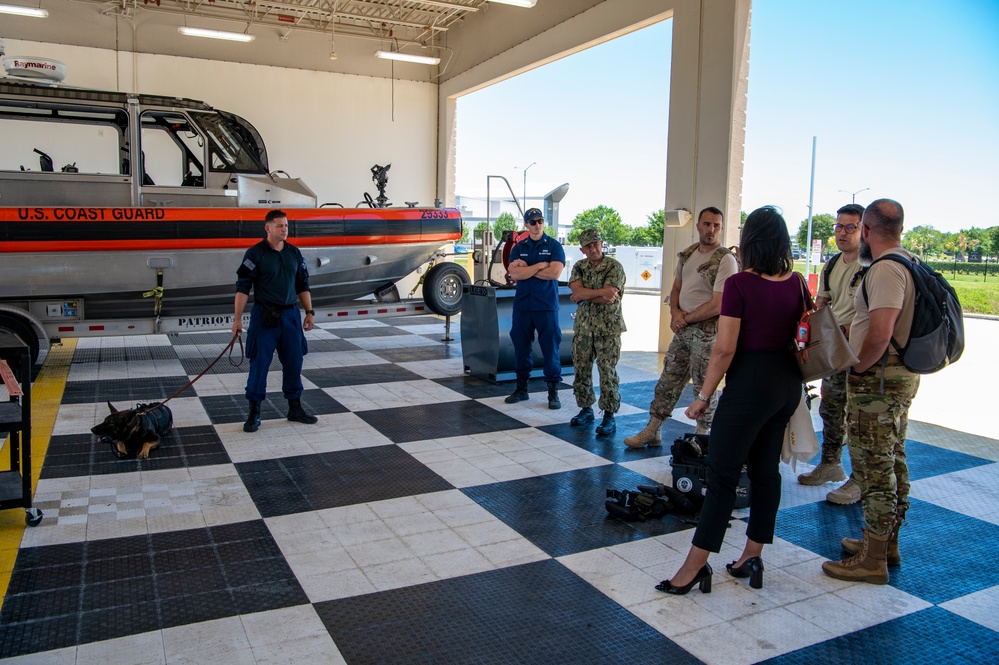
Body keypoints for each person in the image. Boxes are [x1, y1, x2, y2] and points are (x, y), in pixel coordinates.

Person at [656, 206, 808, 595]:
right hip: (786, 387)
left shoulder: (741, 284)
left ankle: (694, 567)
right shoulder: (796, 283)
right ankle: (750, 555)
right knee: (765, 471)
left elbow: (723, 350)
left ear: (752, 240)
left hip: (749, 388)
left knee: (721, 475)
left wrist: (703, 396)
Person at [822, 199, 919, 585]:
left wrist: (858, 367)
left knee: (874, 468)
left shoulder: (884, 270)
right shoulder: (909, 261)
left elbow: (879, 333)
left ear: (865, 230)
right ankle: (885, 542)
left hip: (879, 381)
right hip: (896, 377)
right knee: (892, 458)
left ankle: (873, 559)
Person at [624, 207, 738, 447]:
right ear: (697, 225)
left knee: (704, 386)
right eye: (707, 224)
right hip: (684, 330)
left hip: (707, 334)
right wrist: (675, 313)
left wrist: (685, 318)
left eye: (717, 225)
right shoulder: (687, 255)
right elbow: (676, 288)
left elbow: (718, 304)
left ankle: (703, 437)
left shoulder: (725, 260)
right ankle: (653, 430)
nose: (711, 230)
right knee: (668, 381)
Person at [797, 203, 867, 505]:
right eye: (839, 226)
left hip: (864, 351)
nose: (842, 232)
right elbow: (822, 305)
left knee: (861, 419)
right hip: (835, 350)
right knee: (831, 409)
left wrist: (850, 329)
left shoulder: (873, 265)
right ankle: (831, 465)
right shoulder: (833, 264)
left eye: (850, 227)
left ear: (864, 229)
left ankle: (861, 480)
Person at [232, 209, 318, 432]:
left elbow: (303, 285)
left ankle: (294, 408)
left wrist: (309, 312)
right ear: (267, 228)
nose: (284, 229)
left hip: (290, 315)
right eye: (280, 226)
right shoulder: (254, 254)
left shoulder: (295, 254)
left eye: (286, 226)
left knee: (294, 361)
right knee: (259, 364)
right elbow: (242, 288)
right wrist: (237, 320)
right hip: (265, 316)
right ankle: (254, 413)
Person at [504, 207, 567, 409]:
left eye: (540, 221)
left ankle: (553, 392)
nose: (537, 224)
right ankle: (522, 389)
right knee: (521, 347)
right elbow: (514, 274)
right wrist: (540, 265)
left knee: (550, 348)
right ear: (526, 225)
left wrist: (528, 269)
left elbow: (554, 273)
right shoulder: (519, 247)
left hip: (546, 305)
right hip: (523, 305)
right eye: (533, 222)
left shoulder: (555, 246)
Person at [568, 228, 627, 435]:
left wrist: (584, 295)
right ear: (582, 249)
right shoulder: (579, 267)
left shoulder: (614, 267)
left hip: (608, 328)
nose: (593, 249)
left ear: (602, 243)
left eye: (596, 244)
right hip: (584, 328)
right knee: (581, 368)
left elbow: (609, 296)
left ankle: (609, 415)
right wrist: (595, 293)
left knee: (607, 371)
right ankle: (586, 409)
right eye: (589, 246)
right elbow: (576, 292)